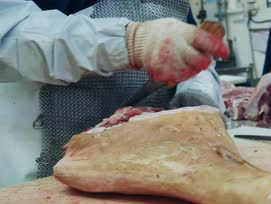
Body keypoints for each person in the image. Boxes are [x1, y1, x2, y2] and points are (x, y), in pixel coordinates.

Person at [0, 0, 230, 188]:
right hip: (41, 173)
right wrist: (128, 41)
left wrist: (197, 92)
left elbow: (192, 48)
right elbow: (9, 32)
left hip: (151, 171)